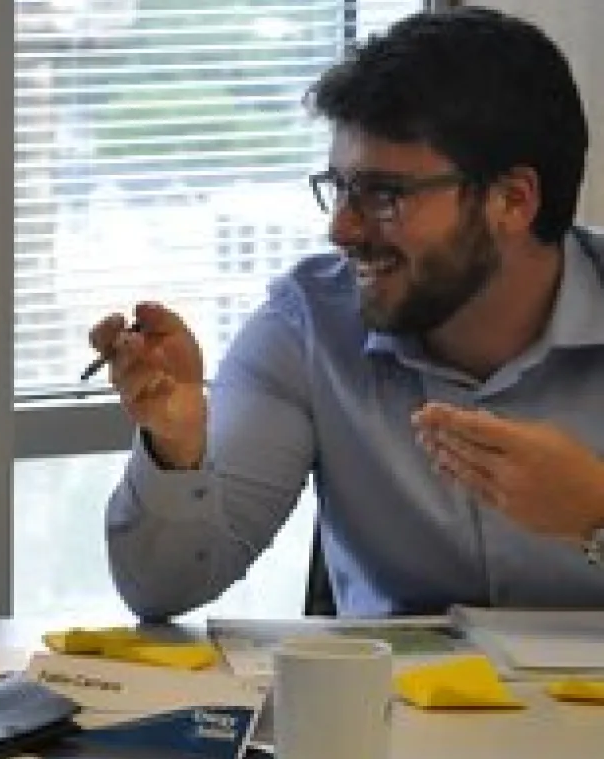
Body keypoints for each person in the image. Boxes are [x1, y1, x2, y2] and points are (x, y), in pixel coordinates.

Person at [90, 7, 604, 619]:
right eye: (339, 188)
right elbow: (162, 591)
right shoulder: (308, 326)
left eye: (385, 195)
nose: (341, 228)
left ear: (512, 201)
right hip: (391, 712)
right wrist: (176, 451)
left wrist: (595, 513)